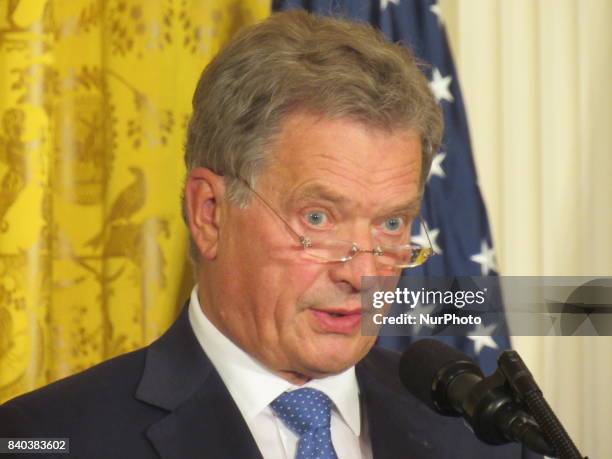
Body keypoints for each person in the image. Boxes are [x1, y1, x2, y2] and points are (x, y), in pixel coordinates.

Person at [0, 11, 528, 459]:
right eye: (318, 219)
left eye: (391, 223)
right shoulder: (48, 438)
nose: (364, 274)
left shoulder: (480, 433)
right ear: (210, 214)